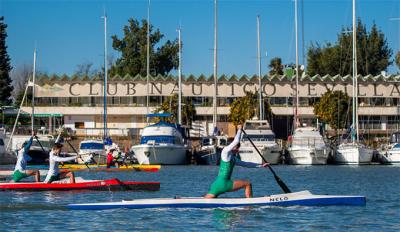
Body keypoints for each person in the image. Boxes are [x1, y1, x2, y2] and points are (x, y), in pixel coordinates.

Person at [205, 125, 268, 198]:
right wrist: (239, 130)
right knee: (247, 184)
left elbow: (246, 164)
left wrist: (261, 165)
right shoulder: (225, 151)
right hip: (224, 183)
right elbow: (236, 141)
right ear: (232, 146)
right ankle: (250, 205)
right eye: (237, 148)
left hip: (216, 184)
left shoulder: (233, 158)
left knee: (206, 201)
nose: (238, 150)